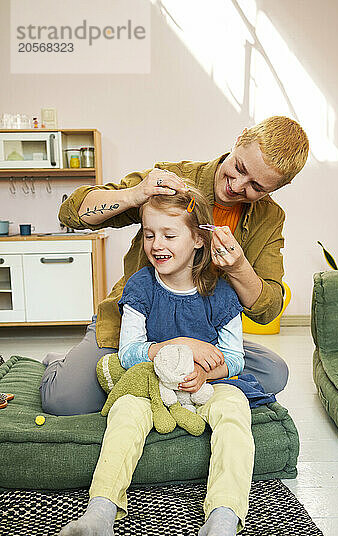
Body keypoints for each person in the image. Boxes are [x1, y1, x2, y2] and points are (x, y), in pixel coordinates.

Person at [40, 115, 309, 415]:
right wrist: (136, 194)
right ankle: (63, 363)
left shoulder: (270, 219)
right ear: (240, 139)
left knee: (274, 373)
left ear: (277, 187)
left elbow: (269, 310)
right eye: (240, 168)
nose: (236, 185)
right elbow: (71, 213)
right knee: (63, 400)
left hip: (203, 332)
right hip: (137, 328)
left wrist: (239, 268)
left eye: (256, 186)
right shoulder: (173, 180)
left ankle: (168, 376)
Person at [55, 187, 257, 536]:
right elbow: (129, 353)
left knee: (235, 407)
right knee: (127, 409)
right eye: (149, 234)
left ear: (199, 238)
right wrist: (179, 344)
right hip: (152, 384)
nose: (156, 244)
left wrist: (202, 372)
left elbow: (233, 360)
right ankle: (100, 514)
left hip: (203, 387)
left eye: (169, 235)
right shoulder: (141, 286)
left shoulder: (222, 292)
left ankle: (223, 518)